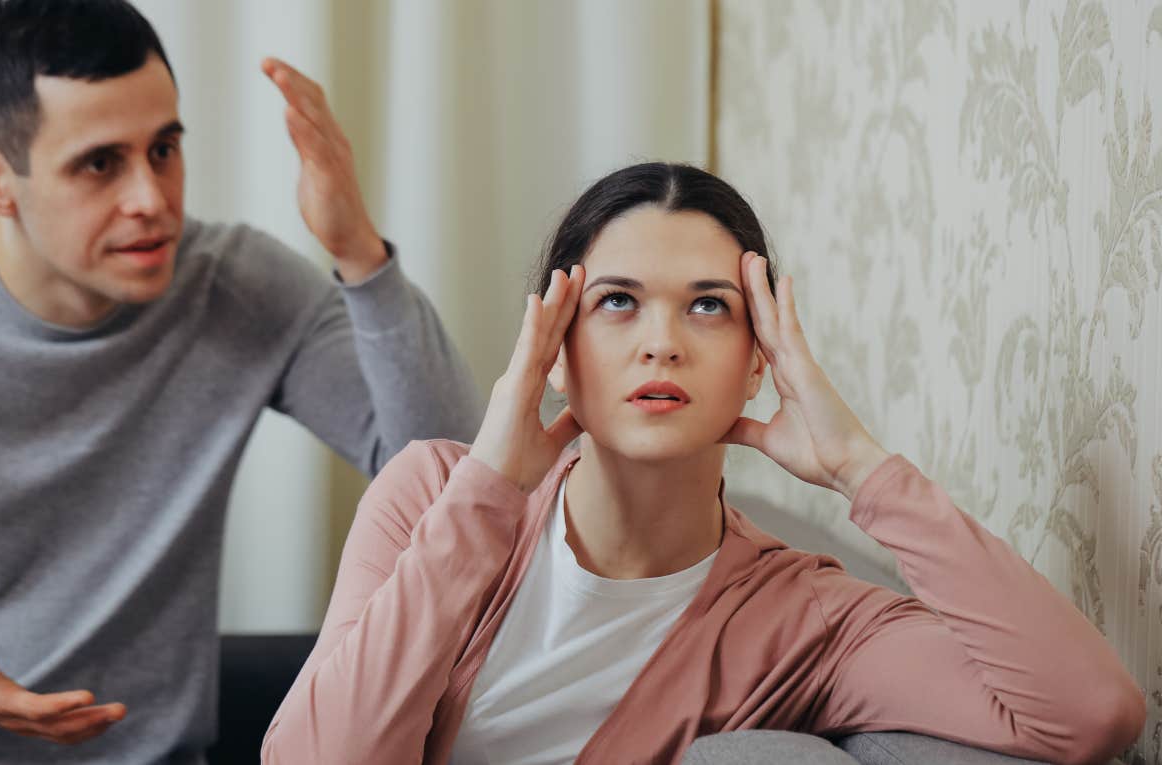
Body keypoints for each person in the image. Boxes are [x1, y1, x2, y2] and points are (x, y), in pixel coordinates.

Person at [262, 162, 1146, 765]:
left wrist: (858, 468)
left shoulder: (805, 619)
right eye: (616, 302)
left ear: (761, 358)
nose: (661, 344)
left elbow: (1091, 711)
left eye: (709, 308)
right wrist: (489, 489)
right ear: (556, 349)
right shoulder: (429, 493)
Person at [0, 1, 482, 763]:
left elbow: (456, 485)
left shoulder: (239, 286)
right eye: (100, 163)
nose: (152, 200)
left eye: (164, 149)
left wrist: (359, 251)